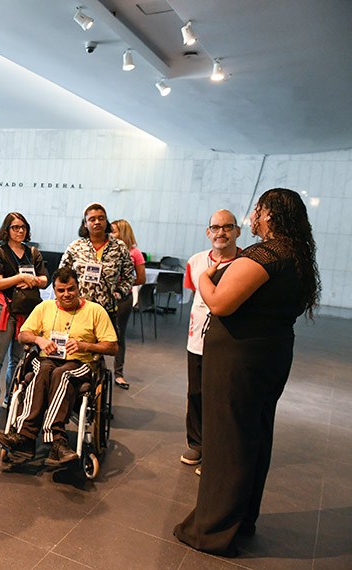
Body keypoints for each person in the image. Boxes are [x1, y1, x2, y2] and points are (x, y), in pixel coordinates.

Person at [174, 188, 320, 556]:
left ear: (270, 214)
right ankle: (241, 519)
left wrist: (205, 276)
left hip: (240, 360)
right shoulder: (296, 255)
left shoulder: (266, 253)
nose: (253, 215)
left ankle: (213, 529)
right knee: (253, 436)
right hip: (269, 354)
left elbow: (220, 302)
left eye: (258, 209)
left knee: (227, 441)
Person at [0, 267, 117, 465]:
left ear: (78, 287)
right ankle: (25, 437)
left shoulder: (95, 311)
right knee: (40, 370)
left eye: (71, 289)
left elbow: (112, 347)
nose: (66, 294)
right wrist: (39, 340)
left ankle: (56, 440)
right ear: (54, 290)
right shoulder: (45, 307)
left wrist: (84, 345)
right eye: (61, 290)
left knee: (62, 374)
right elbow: (22, 335)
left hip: (79, 362)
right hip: (47, 359)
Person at [179, 210, 241, 467]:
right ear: (208, 232)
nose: (221, 233)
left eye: (227, 227)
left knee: (225, 398)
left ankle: (220, 453)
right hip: (197, 340)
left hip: (231, 342)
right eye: (215, 227)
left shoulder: (246, 263)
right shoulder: (195, 261)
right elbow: (194, 294)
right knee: (196, 393)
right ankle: (196, 443)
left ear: (238, 231)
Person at [60, 203, 134, 389]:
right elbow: (62, 274)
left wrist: (118, 293)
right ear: (85, 223)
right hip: (79, 309)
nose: (97, 222)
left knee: (99, 352)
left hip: (105, 309)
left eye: (101, 218)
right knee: (76, 350)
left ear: (106, 221)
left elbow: (129, 276)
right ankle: (73, 389)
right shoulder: (76, 247)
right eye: (92, 219)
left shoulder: (119, 247)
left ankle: (96, 393)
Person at [0, 212, 48, 417]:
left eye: (23, 227)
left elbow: (45, 279)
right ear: (7, 230)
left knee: (18, 358)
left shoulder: (33, 252)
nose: (20, 231)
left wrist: (31, 280)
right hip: (0, 308)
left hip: (26, 310)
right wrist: (20, 277)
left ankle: (11, 397)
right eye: (15, 227)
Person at [109, 219, 146, 388]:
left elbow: (141, 278)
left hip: (123, 299)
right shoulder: (108, 251)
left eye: (114, 231)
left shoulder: (135, 253)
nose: (110, 234)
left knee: (119, 335)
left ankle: (118, 373)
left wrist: (123, 286)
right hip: (105, 297)